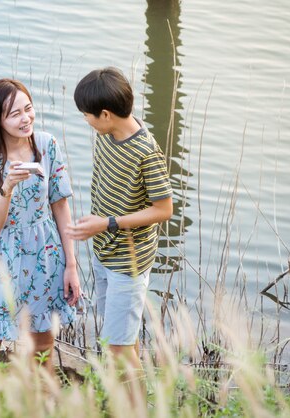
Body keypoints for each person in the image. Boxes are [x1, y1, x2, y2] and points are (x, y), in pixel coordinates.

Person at [0, 78, 80, 370]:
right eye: (15, 114)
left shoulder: (47, 145)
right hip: (0, 256)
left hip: (44, 254)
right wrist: (7, 186)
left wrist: (71, 266)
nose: (26, 119)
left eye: (29, 109)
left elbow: (61, 206)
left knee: (42, 345)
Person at [67, 67, 173, 366]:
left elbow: (164, 210)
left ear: (105, 114)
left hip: (129, 261)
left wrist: (108, 223)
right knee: (123, 340)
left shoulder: (146, 152)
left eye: (86, 115)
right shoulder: (107, 135)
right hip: (104, 251)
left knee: (118, 350)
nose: (85, 120)